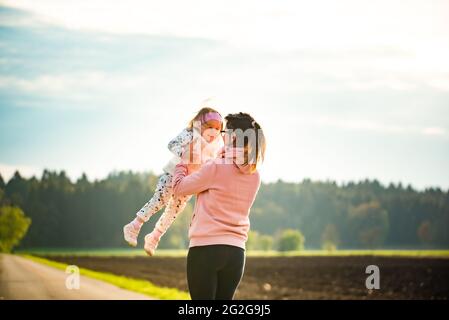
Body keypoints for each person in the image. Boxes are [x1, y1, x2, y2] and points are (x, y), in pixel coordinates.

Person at [172, 112, 266, 299]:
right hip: (237, 252)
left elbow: (178, 187)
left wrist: (182, 163)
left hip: (206, 248)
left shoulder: (215, 167)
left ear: (231, 136)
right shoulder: (255, 175)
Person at [123, 107, 224, 256]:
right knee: (159, 200)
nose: (213, 132)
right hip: (173, 174)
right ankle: (134, 226)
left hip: (189, 182)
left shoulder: (216, 146)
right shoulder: (191, 134)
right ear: (199, 124)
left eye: (217, 129)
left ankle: (154, 237)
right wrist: (185, 154)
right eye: (210, 127)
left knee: (174, 211)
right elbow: (172, 144)